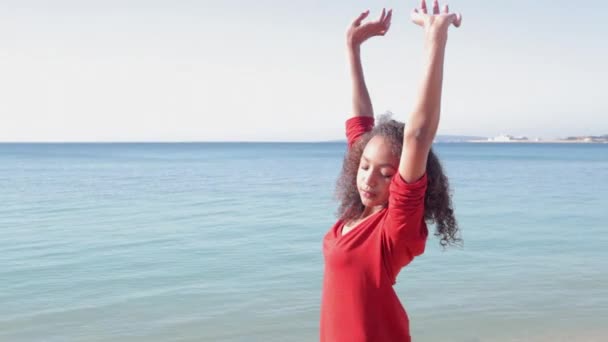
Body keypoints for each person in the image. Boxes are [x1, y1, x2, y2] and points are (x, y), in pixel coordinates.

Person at [320, 1, 462, 341]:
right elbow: (360, 124)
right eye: (365, 166)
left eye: (386, 174)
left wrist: (435, 38)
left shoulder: (395, 228)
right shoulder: (358, 210)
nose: (369, 178)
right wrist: (352, 49)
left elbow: (417, 136)